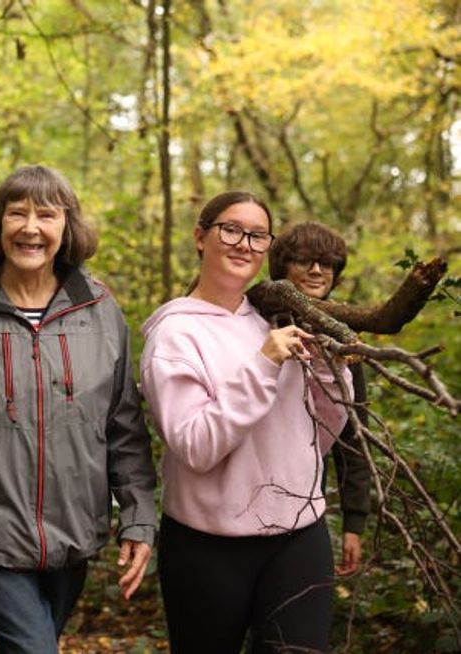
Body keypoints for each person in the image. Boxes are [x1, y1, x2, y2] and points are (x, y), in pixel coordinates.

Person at [0, 165, 157, 653]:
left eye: (46, 215)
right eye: (17, 213)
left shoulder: (100, 311)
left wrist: (138, 517)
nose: (31, 228)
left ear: (67, 227)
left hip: (74, 531)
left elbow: (123, 426)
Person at [139, 191, 351, 653]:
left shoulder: (273, 321)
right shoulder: (174, 334)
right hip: (208, 544)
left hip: (299, 533)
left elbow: (317, 436)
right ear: (200, 237)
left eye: (258, 236)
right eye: (231, 230)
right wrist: (264, 364)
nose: (244, 244)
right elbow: (196, 446)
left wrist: (328, 370)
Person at [269, 222, 372, 577]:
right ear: (282, 266)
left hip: (305, 504)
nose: (316, 270)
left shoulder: (340, 339)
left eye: (326, 263)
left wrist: (354, 523)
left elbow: (353, 435)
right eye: (304, 261)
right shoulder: (253, 320)